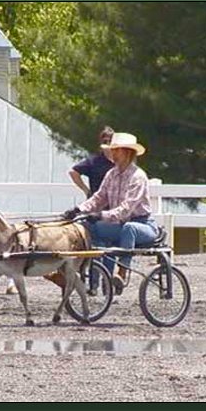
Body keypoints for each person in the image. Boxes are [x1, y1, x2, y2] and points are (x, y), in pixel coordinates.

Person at [63, 132, 159, 295]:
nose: (112, 154)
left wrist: (101, 215)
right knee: (87, 227)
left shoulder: (138, 177)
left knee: (130, 228)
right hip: (118, 225)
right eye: (112, 150)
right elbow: (99, 198)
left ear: (127, 152)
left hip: (143, 225)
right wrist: (79, 209)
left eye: (116, 150)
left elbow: (126, 208)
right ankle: (97, 273)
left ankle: (121, 273)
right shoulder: (111, 174)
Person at [68, 126, 115, 198]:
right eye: (105, 142)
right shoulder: (94, 161)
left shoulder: (121, 161)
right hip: (97, 204)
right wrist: (86, 191)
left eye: (111, 141)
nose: (108, 144)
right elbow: (73, 172)